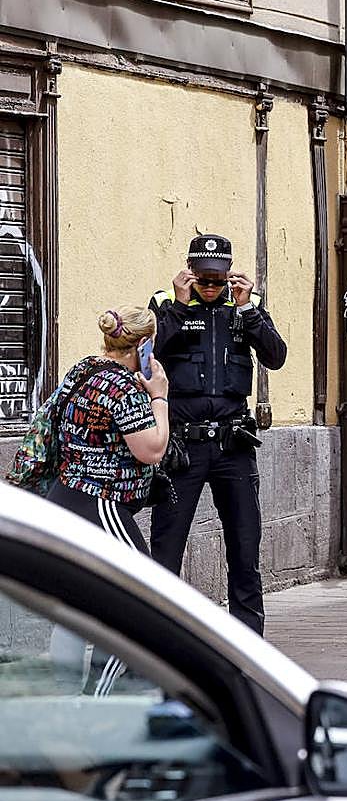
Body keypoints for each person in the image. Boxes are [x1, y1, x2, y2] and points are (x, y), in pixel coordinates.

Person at [148, 234, 288, 636]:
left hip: (233, 446)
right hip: (183, 447)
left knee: (245, 548)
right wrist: (177, 304)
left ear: (229, 275)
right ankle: (161, 638)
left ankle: (248, 642)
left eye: (217, 280)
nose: (210, 288)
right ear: (189, 273)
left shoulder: (247, 306)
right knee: (167, 547)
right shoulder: (165, 305)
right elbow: (147, 356)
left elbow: (276, 357)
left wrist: (248, 310)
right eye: (203, 279)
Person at [46, 306, 170, 552]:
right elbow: (152, 450)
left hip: (66, 494)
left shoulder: (86, 368)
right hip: (99, 501)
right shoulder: (122, 386)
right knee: (140, 582)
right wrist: (160, 396)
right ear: (143, 344)